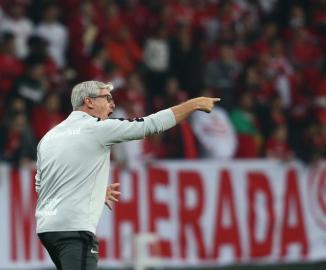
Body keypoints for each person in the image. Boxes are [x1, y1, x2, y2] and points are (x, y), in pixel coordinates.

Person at [35, 80, 220, 270]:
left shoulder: (49, 137)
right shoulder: (96, 128)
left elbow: (41, 184)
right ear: (89, 102)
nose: (113, 105)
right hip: (74, 229)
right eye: (107, 98)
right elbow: (149, 125)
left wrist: (89, 189)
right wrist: (193, 104)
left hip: (47, 227)